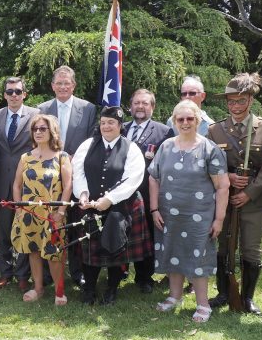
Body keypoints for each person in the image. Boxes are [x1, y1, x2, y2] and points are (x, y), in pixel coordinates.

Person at [149, 100, 229, 323]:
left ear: (198, 120)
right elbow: (153, 177)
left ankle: (203, 304)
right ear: (174, 121)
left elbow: (223, 186)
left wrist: (219, 219)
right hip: (168, 214)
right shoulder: (166, 147)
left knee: (198, 258)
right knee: (173, 251)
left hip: (199, 216)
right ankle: (174, 296)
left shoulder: (209, 149)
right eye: (180, 119)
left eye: (190, 118)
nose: (185, 122)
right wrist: (154, 209)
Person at [207, 73, 262, 315]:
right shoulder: (215, 130)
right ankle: (223, 293)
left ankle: (247, 298)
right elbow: (207, 163)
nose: (235, 106)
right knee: (223, 246)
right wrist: (227, 177)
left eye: (241, 101)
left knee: (251, 248)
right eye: (231, 101)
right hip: (224, 198)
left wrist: (249, 193)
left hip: (255, 200)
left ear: (250, 100)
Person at [71, 106, 148, 306]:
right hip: (90, 205)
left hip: (121, 207)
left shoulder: (131, 148)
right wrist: (83, 193)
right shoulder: (87, 145)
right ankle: (89, 289)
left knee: (117, 247)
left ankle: (112, 289)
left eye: (111, 123)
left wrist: (110, 199)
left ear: (120, 125)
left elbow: (133, 178)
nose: (106, 126)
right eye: (103, 122)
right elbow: (77, 172)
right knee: (89, 249)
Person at [38, 65, 97, 287]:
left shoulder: (88, 108)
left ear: (73, 86)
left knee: (75, 224)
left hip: (77, 174)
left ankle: (76, 271)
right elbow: (37, 139)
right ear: (53, 86)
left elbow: (92, 139)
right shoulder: (42, 109)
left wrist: (74, 157)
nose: (63, 87)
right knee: (48, 222)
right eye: (59, 83)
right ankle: (47, 271)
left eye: (67, 83)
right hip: (49, 175)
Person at [11, 114, 72, 305]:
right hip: (29, 212)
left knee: (54, 253)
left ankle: (59, 292)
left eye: (42, 129)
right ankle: (38, 288)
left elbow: (68, 186)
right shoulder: (25, 158)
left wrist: (61, 212)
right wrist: (19, 208)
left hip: (53, 214)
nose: (38, 132)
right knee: (34, 250)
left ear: (52, 131)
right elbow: (16, 185)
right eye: (35, 129)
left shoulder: (62, 157)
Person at [0, 77, 39, 291]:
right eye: (10, 92)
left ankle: (23, 274)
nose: (14, 95)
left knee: (25, 229)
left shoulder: (36, 115)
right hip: (1, 182)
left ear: (24, 94)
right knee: (4, 230)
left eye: (18, 91)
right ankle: (5, 272)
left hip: (28, 183)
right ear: (4, 95)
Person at [121, 89, 174, 294]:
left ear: (152, 107)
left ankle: (144, 277)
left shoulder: (164, 132)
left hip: (147, 192)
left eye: (145, 103)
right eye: (136, 103)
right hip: (120, 192)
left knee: (146, 235)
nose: (140, 107)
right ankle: (120, 270)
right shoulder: (120, 128)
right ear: (130, 106)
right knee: (120, 231)